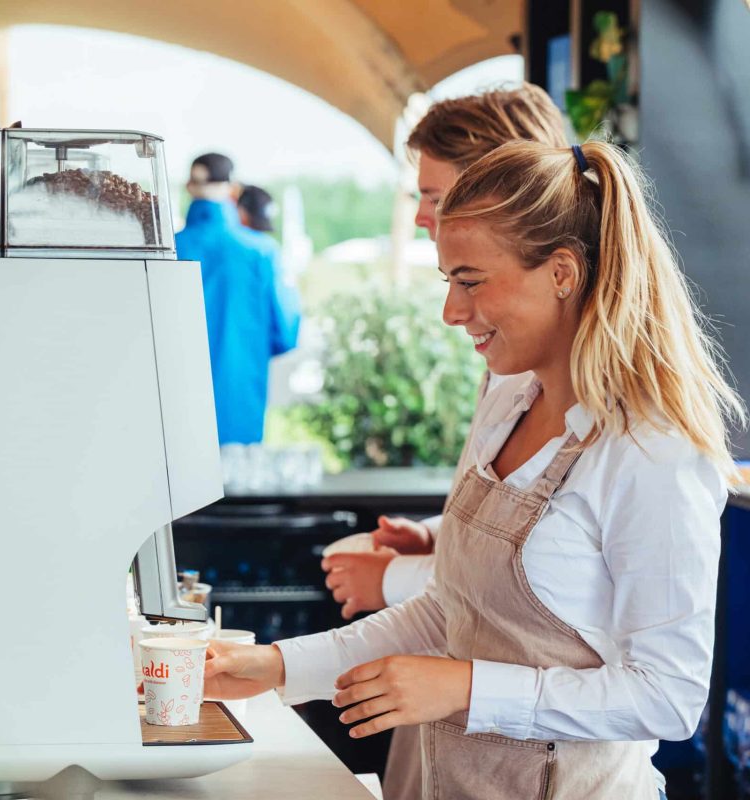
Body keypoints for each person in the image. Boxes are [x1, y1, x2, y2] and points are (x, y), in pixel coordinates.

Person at [203, 139, 745, 800]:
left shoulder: (651, 451)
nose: (451, 313)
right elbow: (448, 613)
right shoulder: (508, 403)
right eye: (448, 282)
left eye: (471, 281)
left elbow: (668, 697)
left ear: (563, 273)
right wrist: (276, 665)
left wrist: (464, 686)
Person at [321, 86, 568, 623]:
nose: (419, 216)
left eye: (433, 197)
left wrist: (391, 579)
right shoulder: (513, 355)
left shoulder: (534, 357)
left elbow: (549, 572)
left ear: (496, 187)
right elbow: (527, 517)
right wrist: (437, 533)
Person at [176, 154, 300, 444]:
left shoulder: (166, 250)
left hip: (173, 408)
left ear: (188, 187)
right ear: (233, 189)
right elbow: (286, 333)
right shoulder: (262, 252)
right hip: (239, 407)